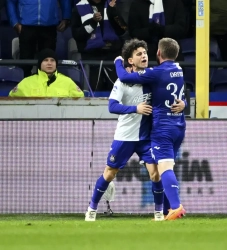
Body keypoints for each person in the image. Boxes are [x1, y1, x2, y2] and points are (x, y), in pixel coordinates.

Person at [85, 38, 185, 222]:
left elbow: (172, 92)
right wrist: (135, 109)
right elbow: (112, 107)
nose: (144, 56)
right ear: (130, 60)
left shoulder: (152, 78)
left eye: (145, 52)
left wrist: (183, 102)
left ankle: (158, 213)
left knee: (155, 173)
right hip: (125, 136)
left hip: (147, 137)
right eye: (139, 54)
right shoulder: (122, 82)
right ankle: (92, 208)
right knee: (109, 172)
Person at [114, 38, 186, 220]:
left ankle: (176, 207)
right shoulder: (179, 69)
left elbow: (123, 77)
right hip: (179, 125)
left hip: (163, 127)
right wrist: (184, 103)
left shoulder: (155, 73)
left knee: (164, 168)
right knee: (167, 166)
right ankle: (168, 210)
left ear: (158, 54)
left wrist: (117, 62)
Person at [7, 0, 71, 77]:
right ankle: (25, 86)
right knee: (25, 62)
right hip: (27, 27)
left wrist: (66, 17)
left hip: (49, 27)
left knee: (48, 61)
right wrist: (14, 22)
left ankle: (47, 87)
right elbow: (10, 1)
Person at [9, 49, 84, 98]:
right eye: (45, 60)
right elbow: (11, 101)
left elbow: (81, 102)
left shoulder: (68, 82)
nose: (49, 63)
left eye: (52, 60)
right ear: (40, 64)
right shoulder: (26, 83)